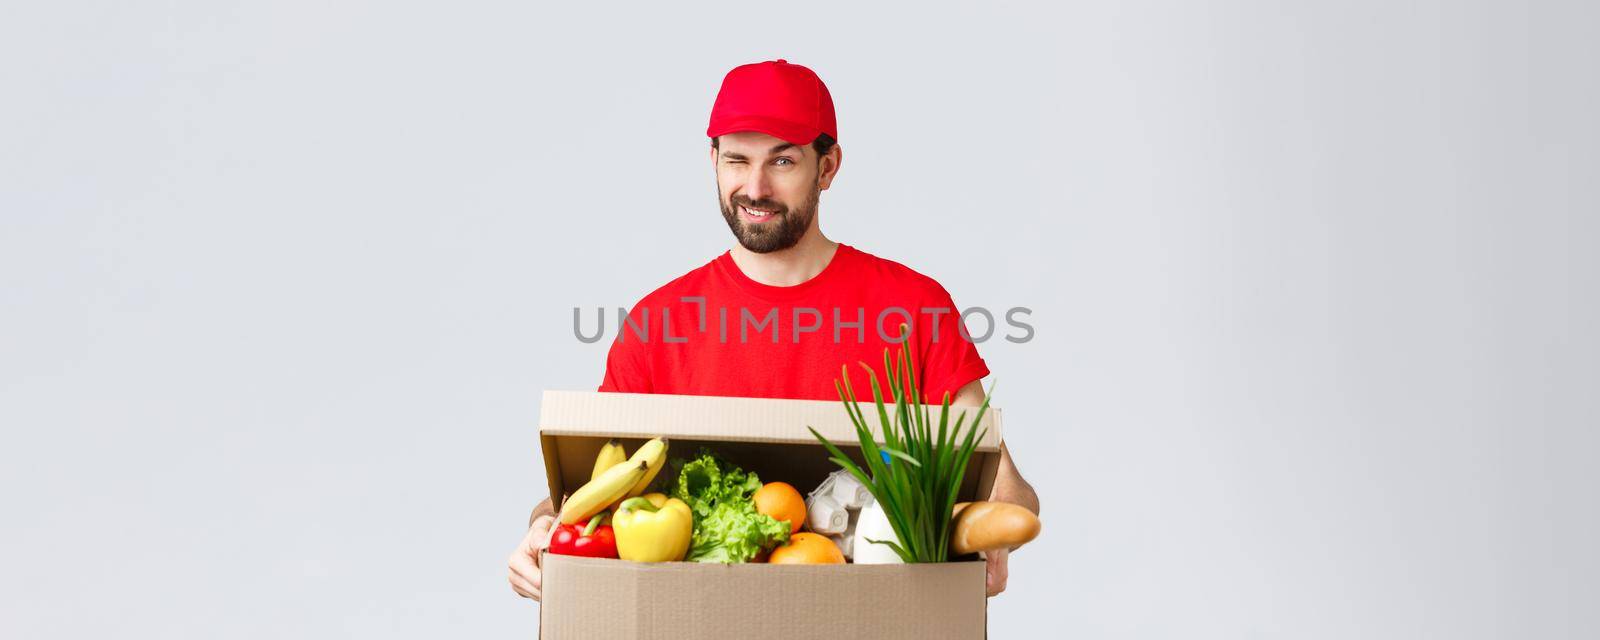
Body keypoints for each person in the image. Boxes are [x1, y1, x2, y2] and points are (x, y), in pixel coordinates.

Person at [508, 59, 1039, 601]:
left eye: (782, 161)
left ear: (827, 167)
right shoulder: (656, 323)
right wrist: (542, 529)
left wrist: (987, 533)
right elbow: (585, 495)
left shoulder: (912, 308)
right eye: (737, 160)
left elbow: (1009, 496)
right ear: (713, 160)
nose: (754, 187)